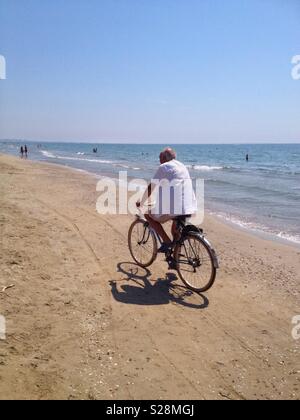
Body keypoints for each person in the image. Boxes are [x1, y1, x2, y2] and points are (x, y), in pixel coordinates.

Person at [136, 147, 197, 253]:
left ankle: (167, 242)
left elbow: (151, 187)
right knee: (176, 231)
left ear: (164, 158)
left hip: (174, 208)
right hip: (189, 206)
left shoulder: (164, 167)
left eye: (160, 157)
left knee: (148, 215)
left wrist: (142, 202)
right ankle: (175, 258)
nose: (159, 160)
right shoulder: (182, 166)